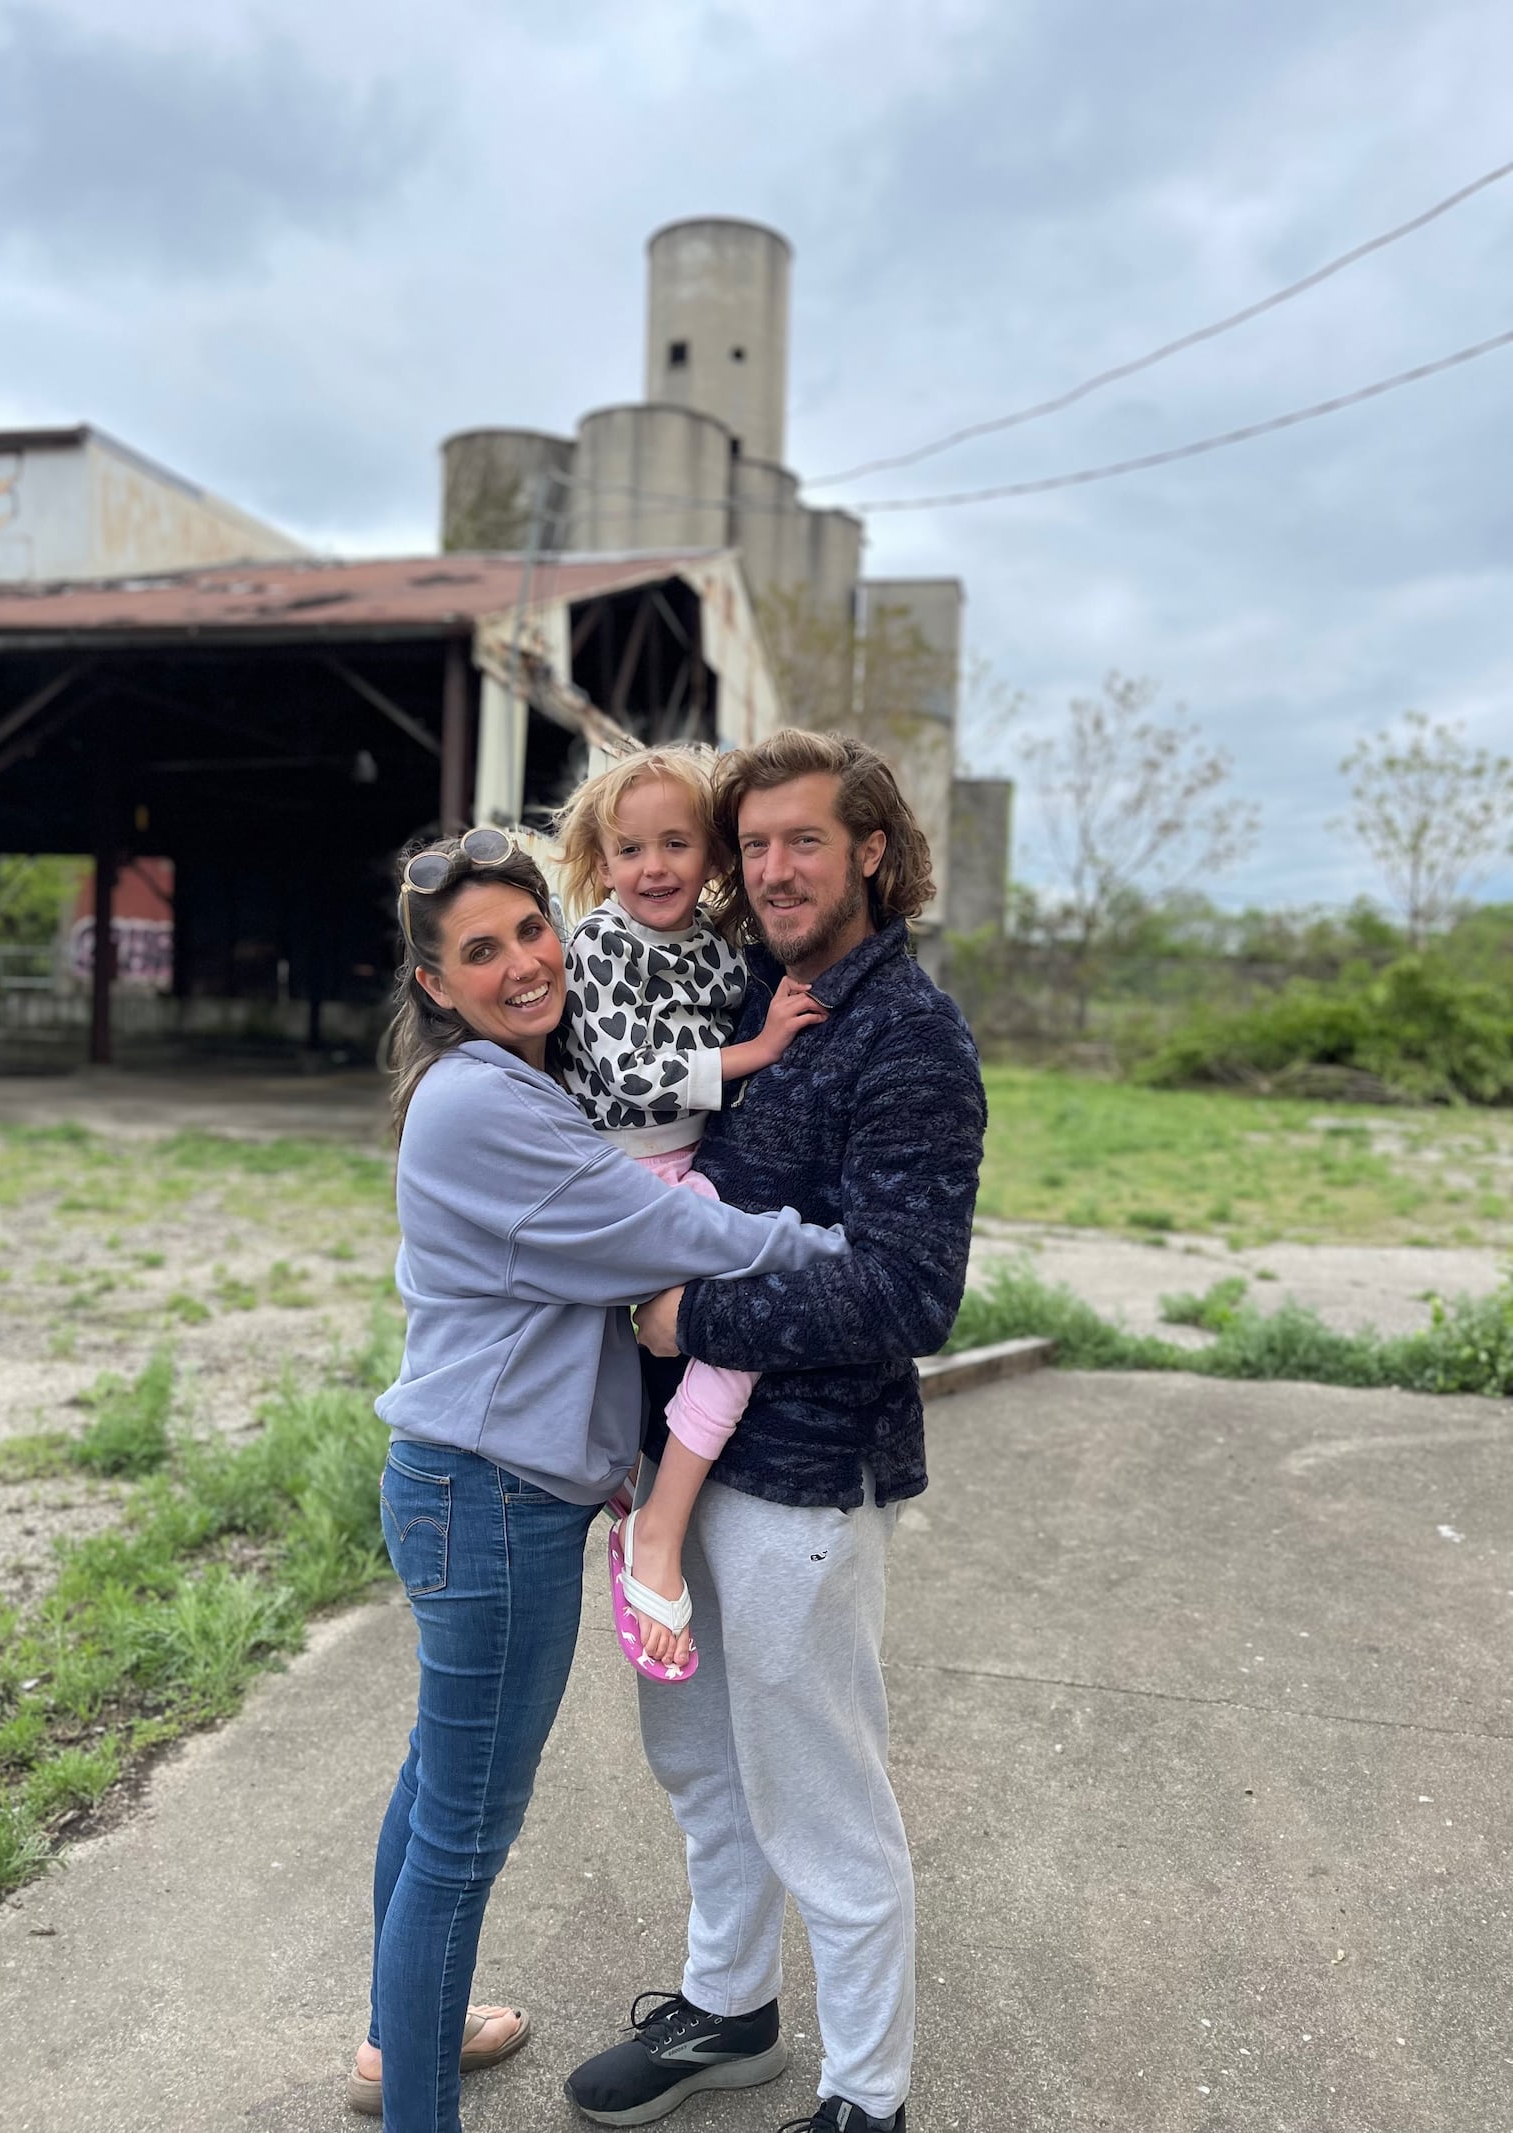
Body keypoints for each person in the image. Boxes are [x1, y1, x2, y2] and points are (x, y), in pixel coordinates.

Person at [354, 825, 850, 2133]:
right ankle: (415, 2108)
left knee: (434, 1792)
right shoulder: (485, 1102)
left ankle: (399, 2037)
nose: (523, 963)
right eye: (481, 951)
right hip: (493, 1501)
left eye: (531, 929)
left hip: (469, 1488)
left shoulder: (514, 1078)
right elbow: (670, 1229)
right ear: (434, 986)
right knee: (464, 1835)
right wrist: (832, 1247)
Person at [565, 732, 987, 2133]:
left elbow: (907, 1291)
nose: (771, 868)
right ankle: (729, 2009)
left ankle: (870, 2097)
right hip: (676, 1468)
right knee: (697, 1760)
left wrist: (689, 1324)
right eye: (753, 844)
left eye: (802, 840)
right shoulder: (753, 986)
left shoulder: (909, 1036)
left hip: (805, 1478)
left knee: (819, 1793)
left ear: (873, 848)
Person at [553, 745, 826, 1677]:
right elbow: (634, 1073)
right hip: (622, 1176)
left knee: (730, 1327)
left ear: (712, 857)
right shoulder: (600, 943)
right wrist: (759, 1050)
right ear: (601, 858)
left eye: (677, 844)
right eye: (630, 849)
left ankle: (651, 1507)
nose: (654, 867)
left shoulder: (714, 950)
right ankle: (648, 1514)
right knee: (738, 1300)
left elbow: (732, 993)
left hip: (689, 1163)